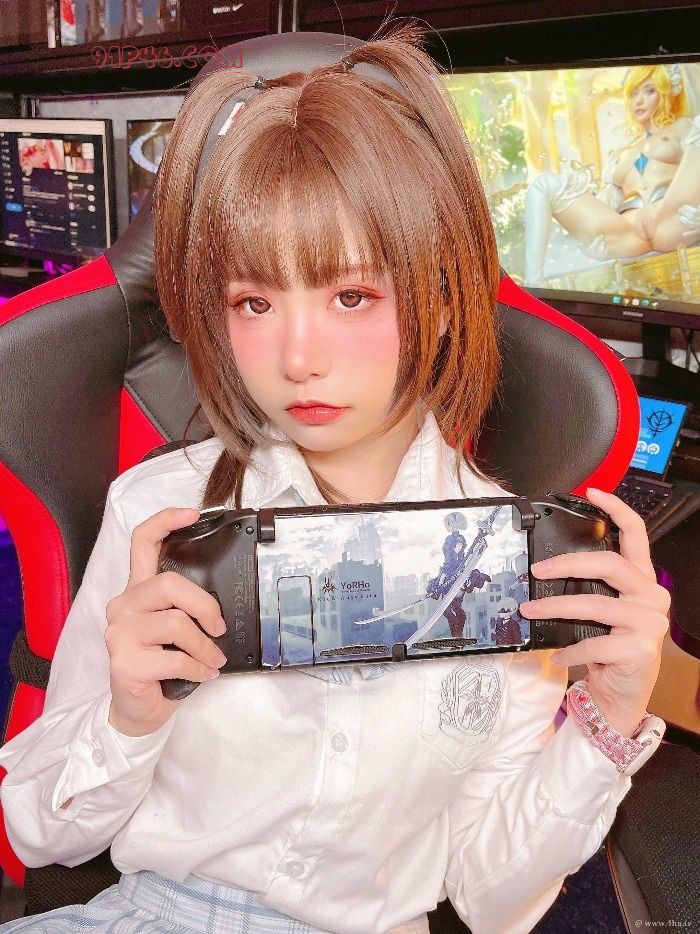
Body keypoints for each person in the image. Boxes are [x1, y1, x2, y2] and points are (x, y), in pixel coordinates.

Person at [0, 21, 671, 934]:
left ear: (442, 299)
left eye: (352, 295)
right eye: (254, 301)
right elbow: (40, 834)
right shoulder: (162, 512)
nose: (297, 357)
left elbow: (490, 898)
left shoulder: (512, 561)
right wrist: (126, 714)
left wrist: (610, 720)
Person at [524, 62, 700, 285]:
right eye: (633, 93)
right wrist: (591, 242)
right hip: (627, 235)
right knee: (543, 185)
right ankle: (533, 284)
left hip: (674, 218)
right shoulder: (618, 155)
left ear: (665, 93)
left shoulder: (683, 128)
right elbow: (606, 205)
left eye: (649, 91)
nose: (639, 101)